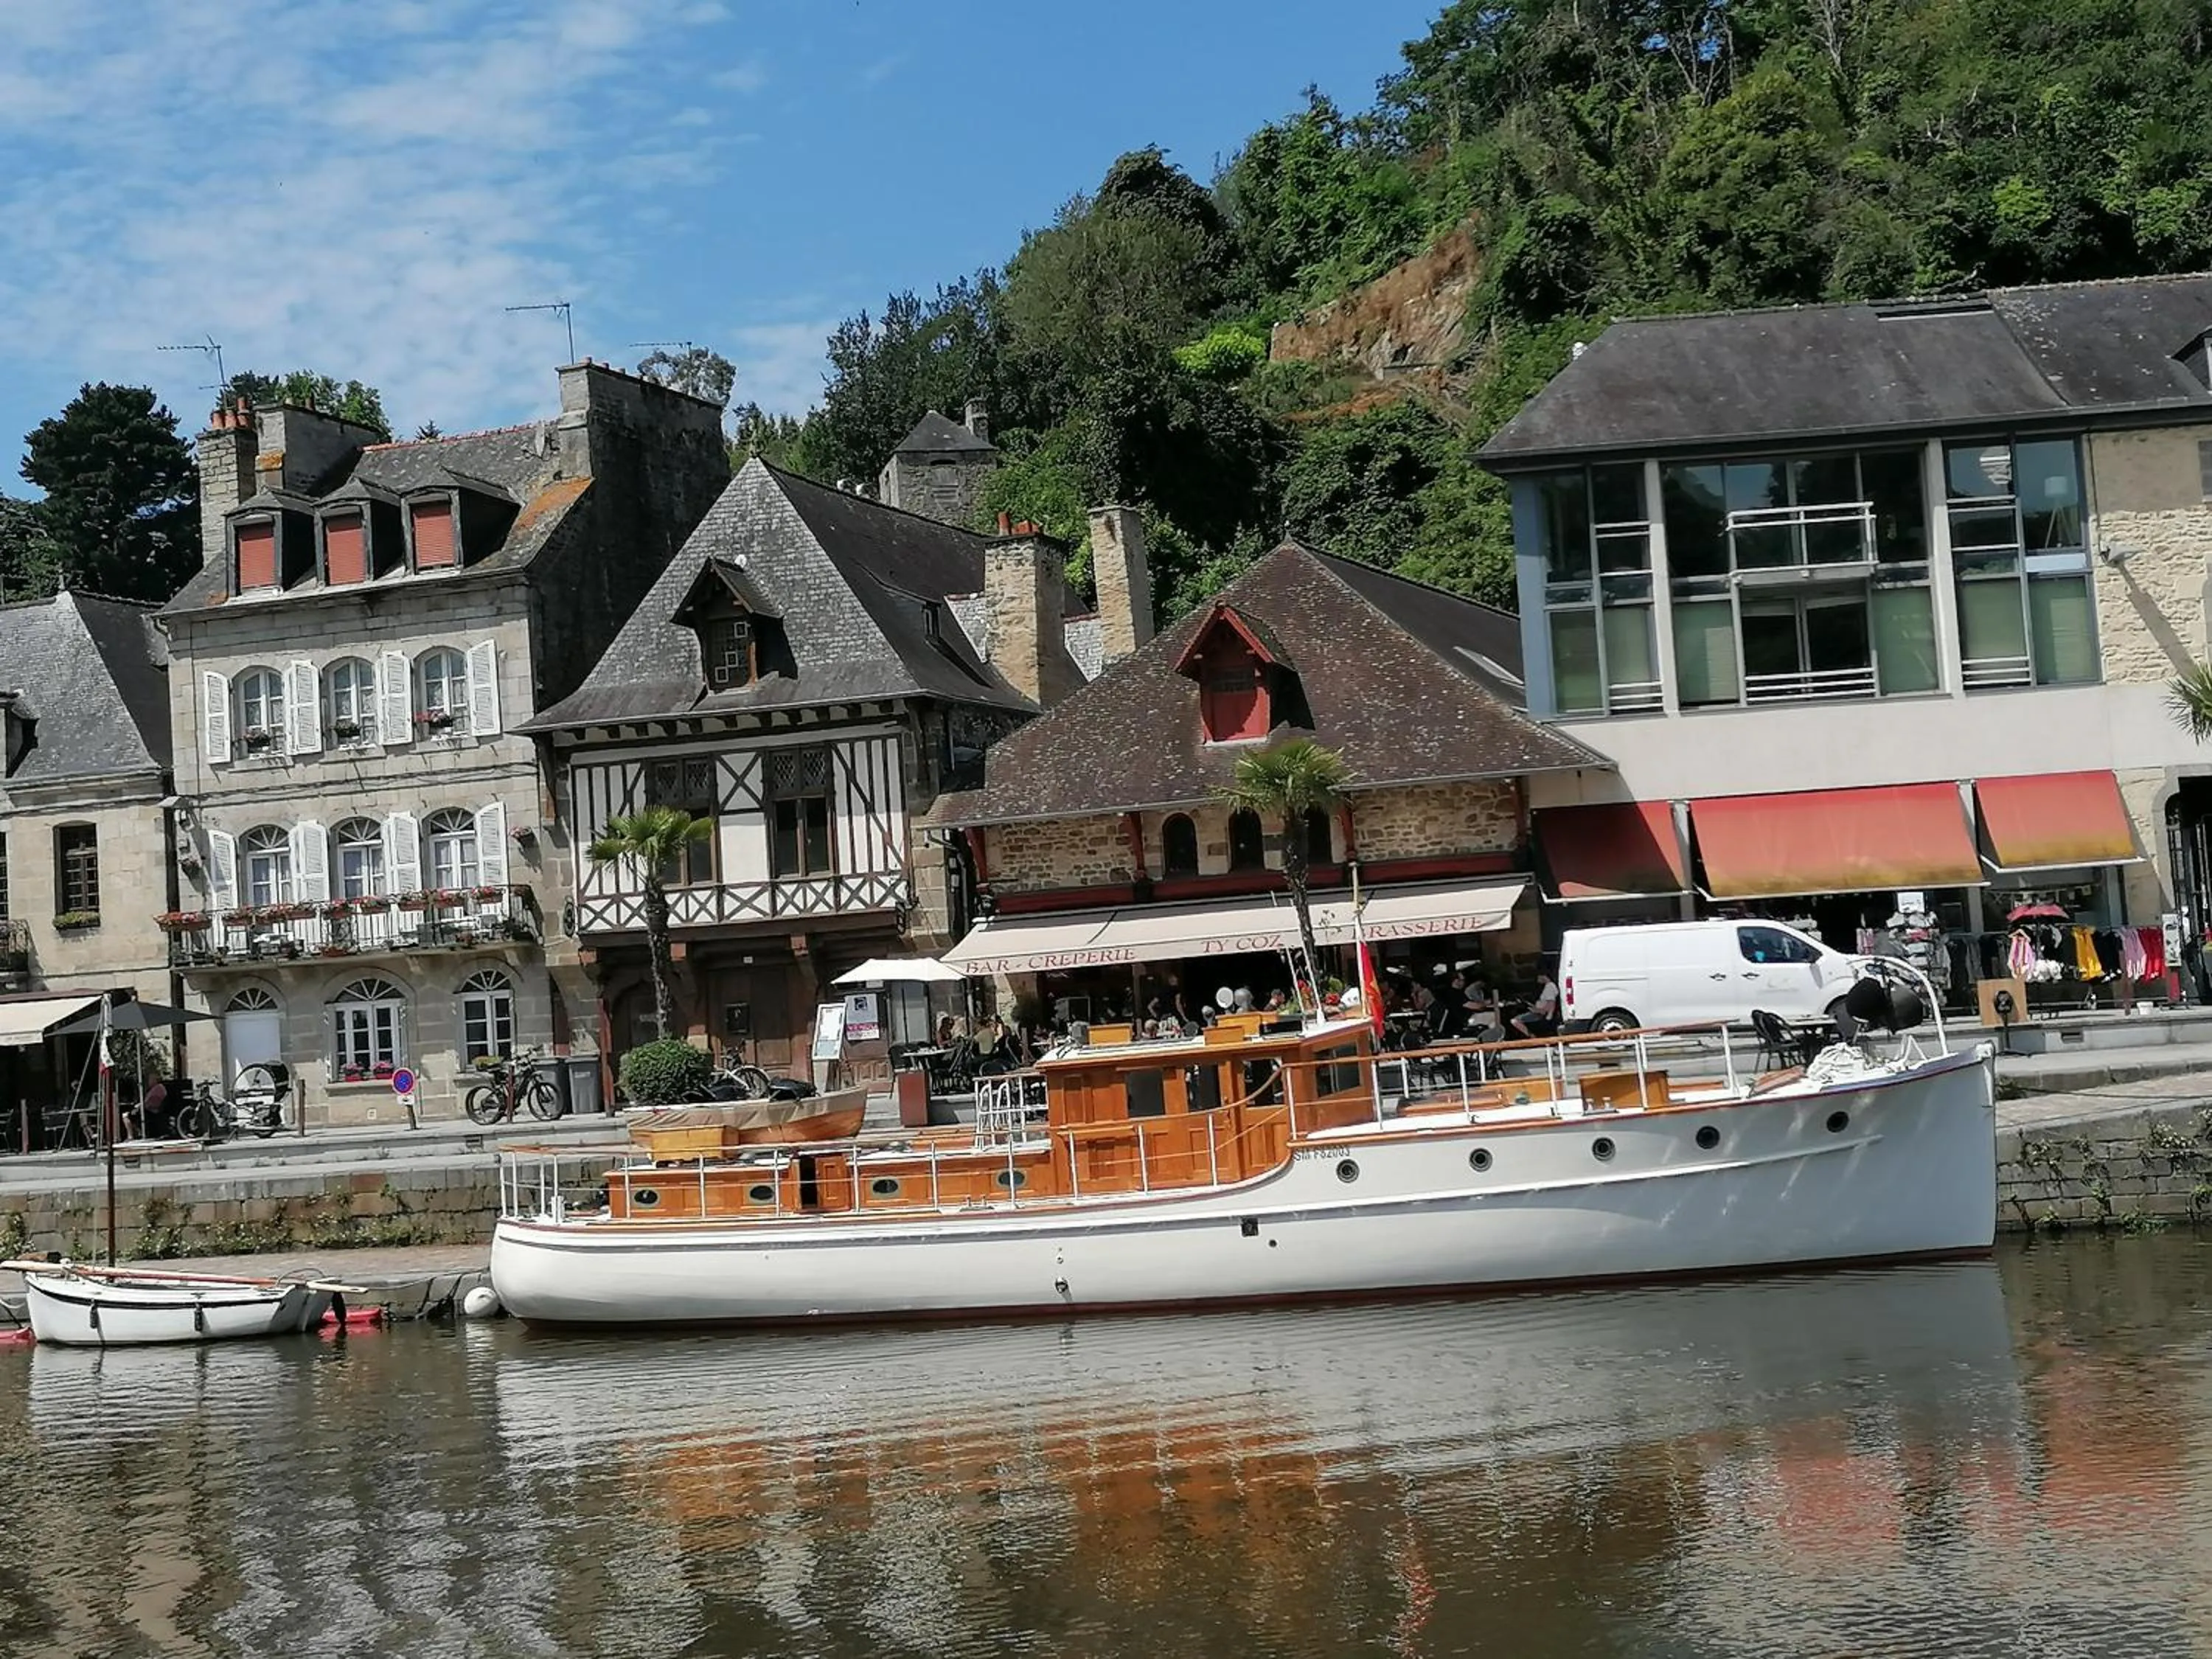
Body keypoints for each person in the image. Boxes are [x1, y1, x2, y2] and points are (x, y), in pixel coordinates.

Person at [1512, 970, 1561, 1039]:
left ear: (1543, 976)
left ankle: (1532, 1036)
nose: (1537, 980)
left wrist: (1547, 1015)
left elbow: (1551, 1003)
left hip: (1540, 1014)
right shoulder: (1548, 986)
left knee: (1515, 1021)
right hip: (1539, 1012)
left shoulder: (1550, 987)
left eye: (1538, 977)